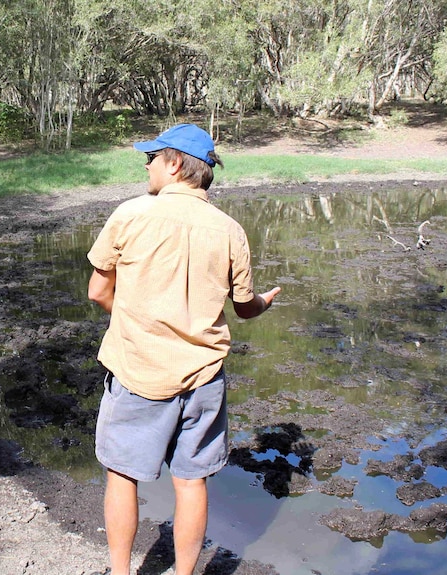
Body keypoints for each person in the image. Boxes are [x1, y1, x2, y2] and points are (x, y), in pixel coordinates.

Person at [86, 123, 281, 575]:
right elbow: (245, 309)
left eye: (151, 158)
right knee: (192, 482)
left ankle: (120, 573)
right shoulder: (231, 230)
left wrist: (135, 319)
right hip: (203, 378)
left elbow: (99, 291)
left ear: (174, 164)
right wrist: (264, 302)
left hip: (138, 372)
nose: (147, 166)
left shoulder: (131, 214)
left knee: (122, 475)